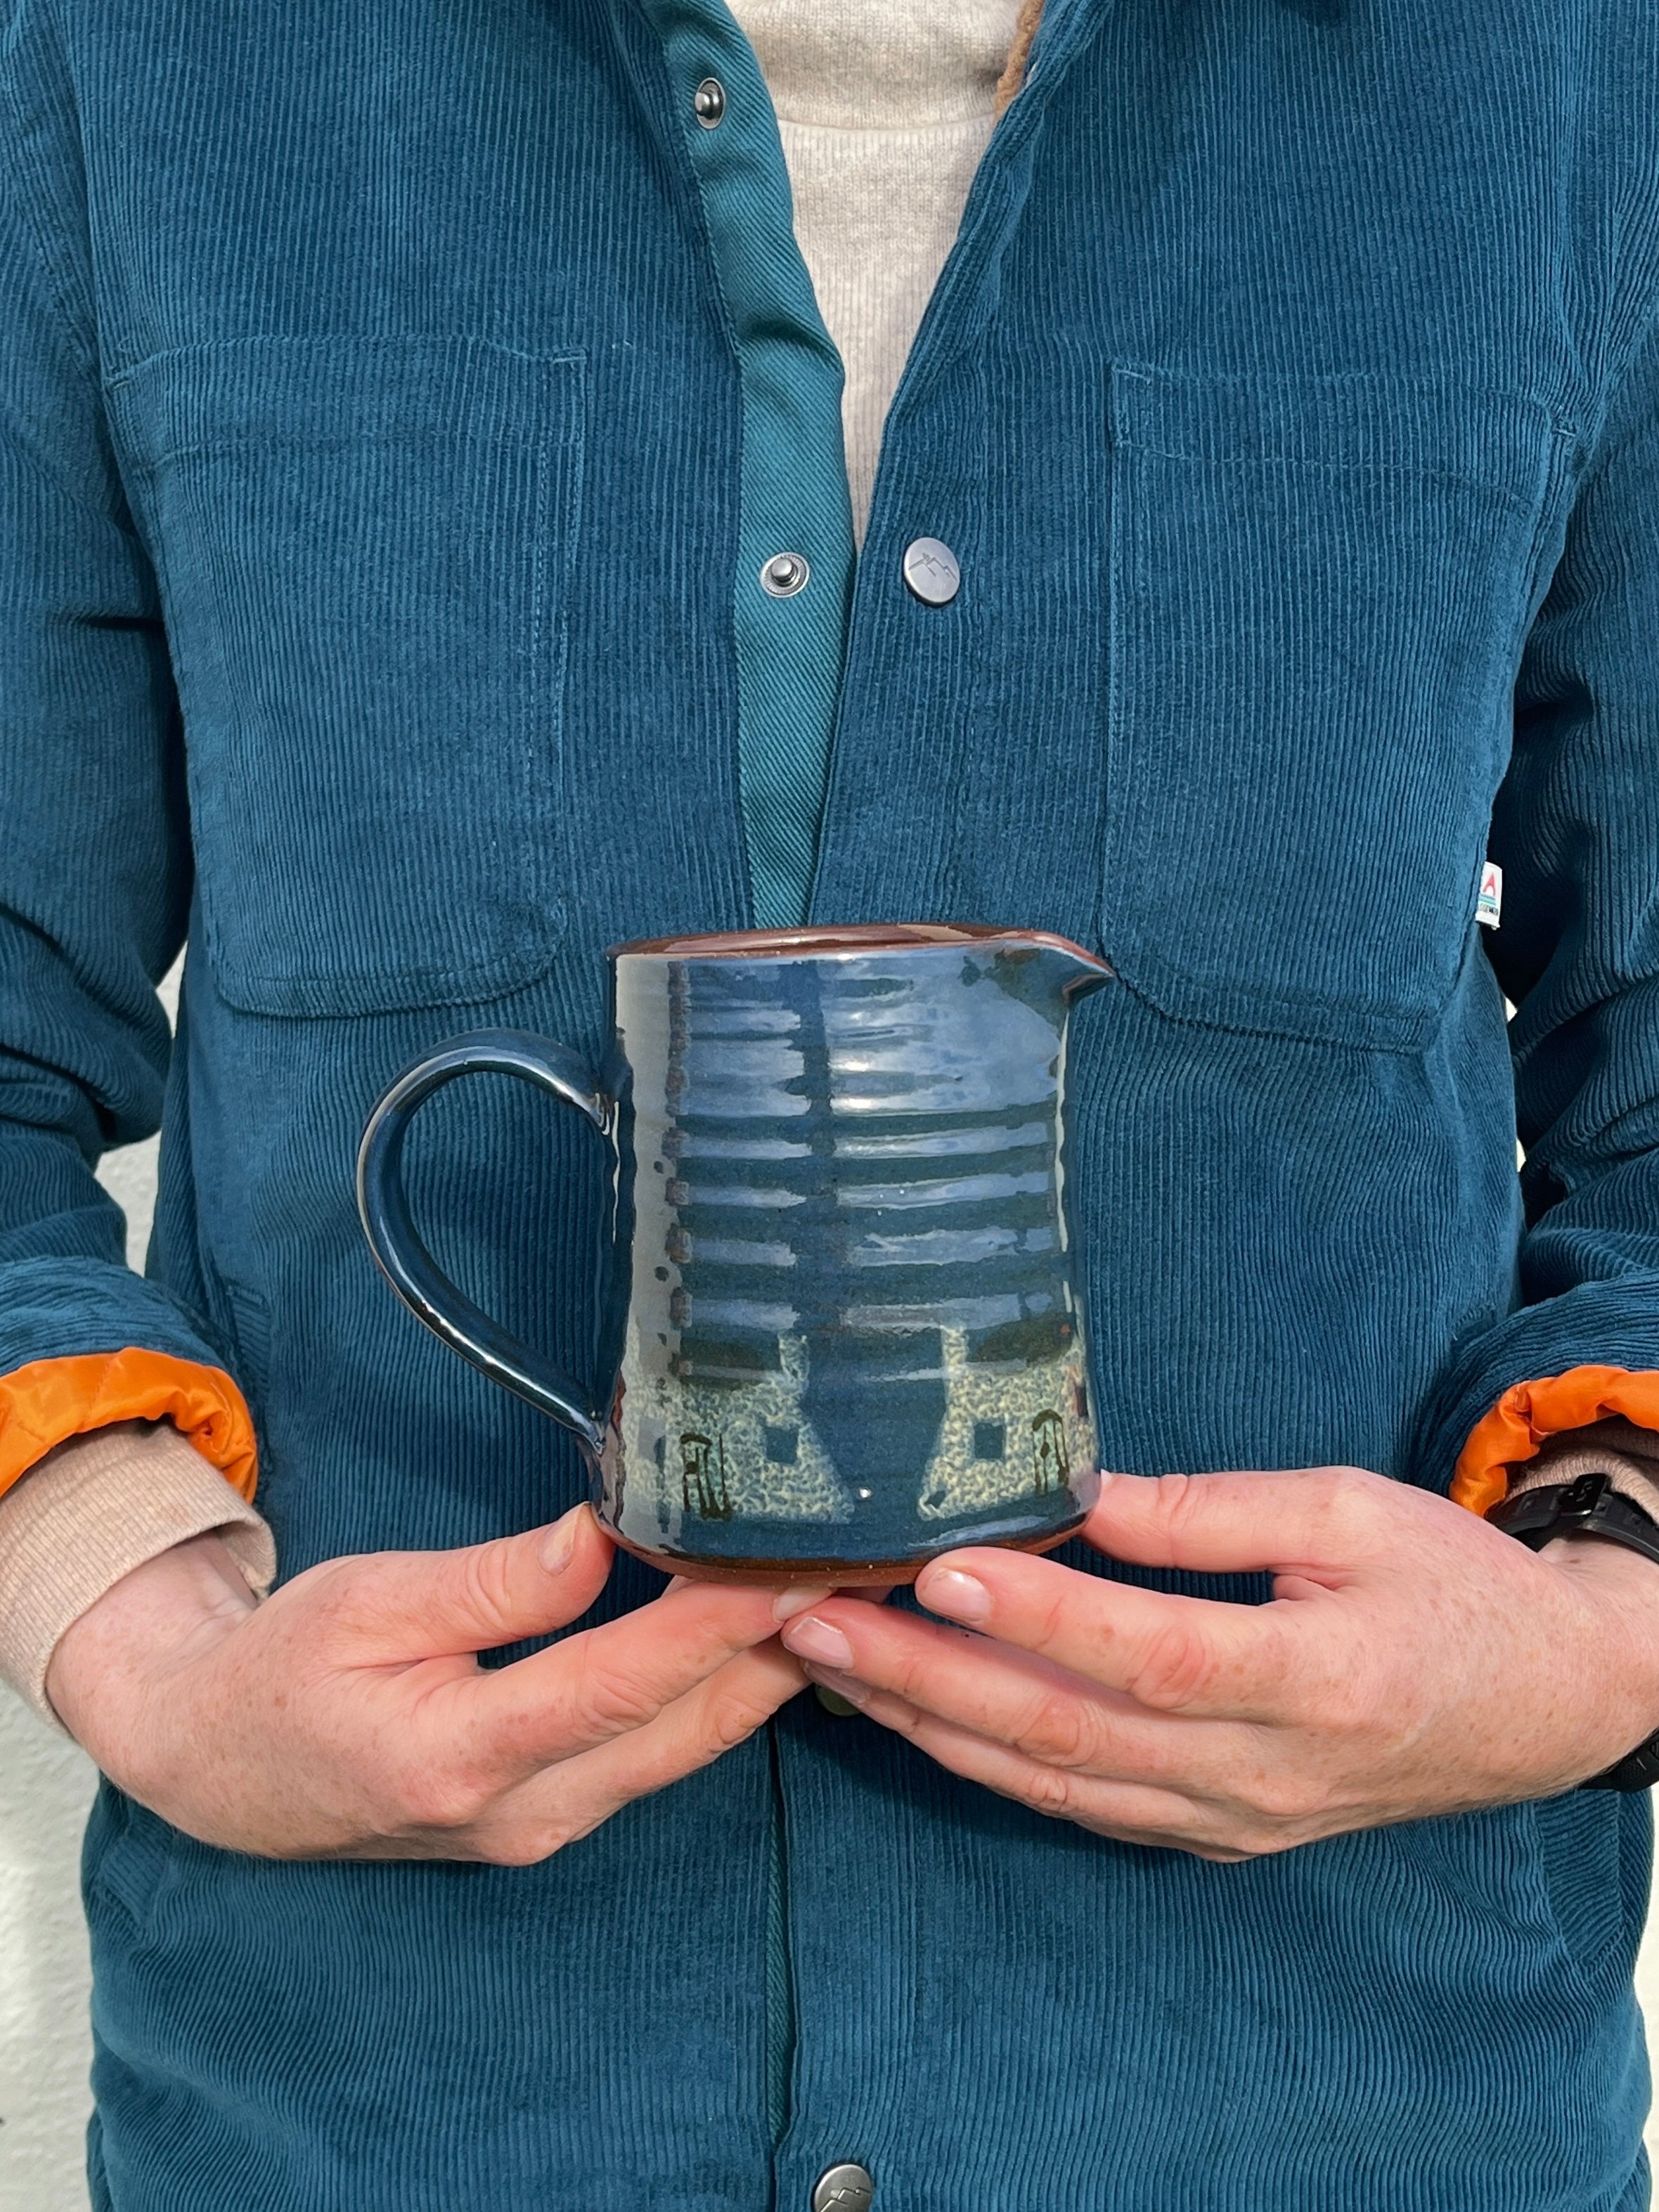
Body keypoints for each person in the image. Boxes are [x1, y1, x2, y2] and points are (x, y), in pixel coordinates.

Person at [2, 0, 1658, 2204]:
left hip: (1351, 2093)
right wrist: (132, 1632)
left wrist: (1602, 1621)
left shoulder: (1575, 71)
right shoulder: (128, 61)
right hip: (375, 2111)